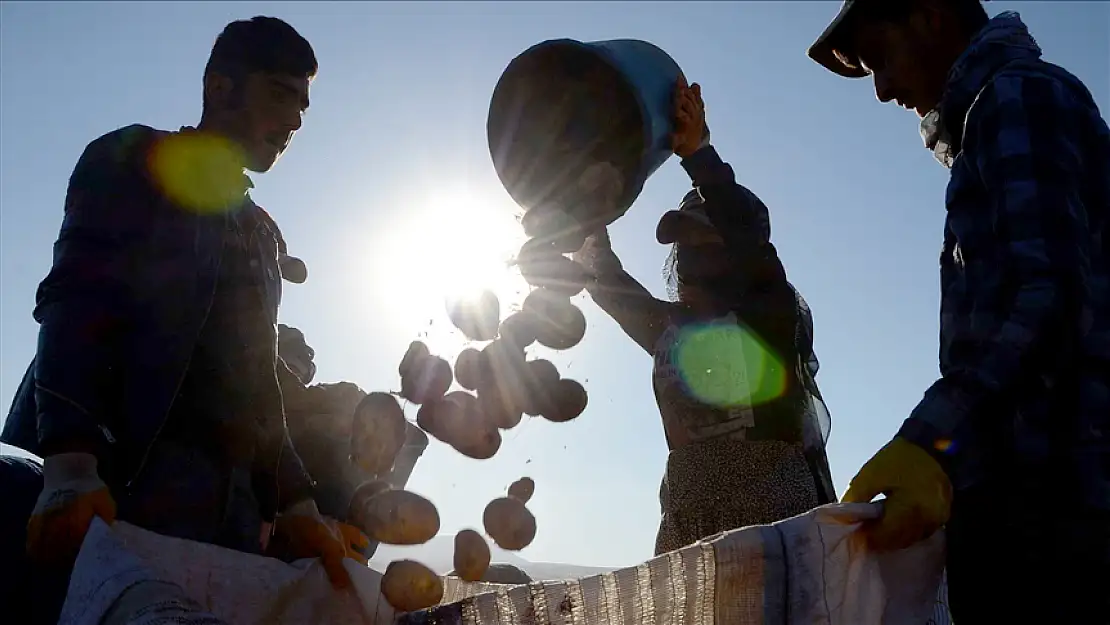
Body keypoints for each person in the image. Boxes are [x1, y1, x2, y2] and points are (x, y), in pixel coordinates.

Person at [0, 16, 366, 595]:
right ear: (220, 87)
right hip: (125, 479)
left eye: (303, 107)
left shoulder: (260, 234)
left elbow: (260, 383)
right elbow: (77, 298)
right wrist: (71, 461)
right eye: (279, 94)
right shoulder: (134, 158)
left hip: (229, 509)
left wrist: (296, 502)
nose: (294, 119)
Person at [807, 1, 1110, 622]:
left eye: (879, 60)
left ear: (930, 15)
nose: (883, 90)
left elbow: (1050, 298)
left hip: (1060, 510)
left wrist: (931, 444)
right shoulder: (999, 113)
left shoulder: (1016, 99)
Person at [574, 80, 836, 555]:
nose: (690, 253)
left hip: (771, 522)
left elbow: (749, 243)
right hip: (688, 518)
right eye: (685, 243)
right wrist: (583, 221)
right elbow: (608, 284)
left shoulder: (771, 315)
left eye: (705, 241)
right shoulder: (670, 329)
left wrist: (699, 156)